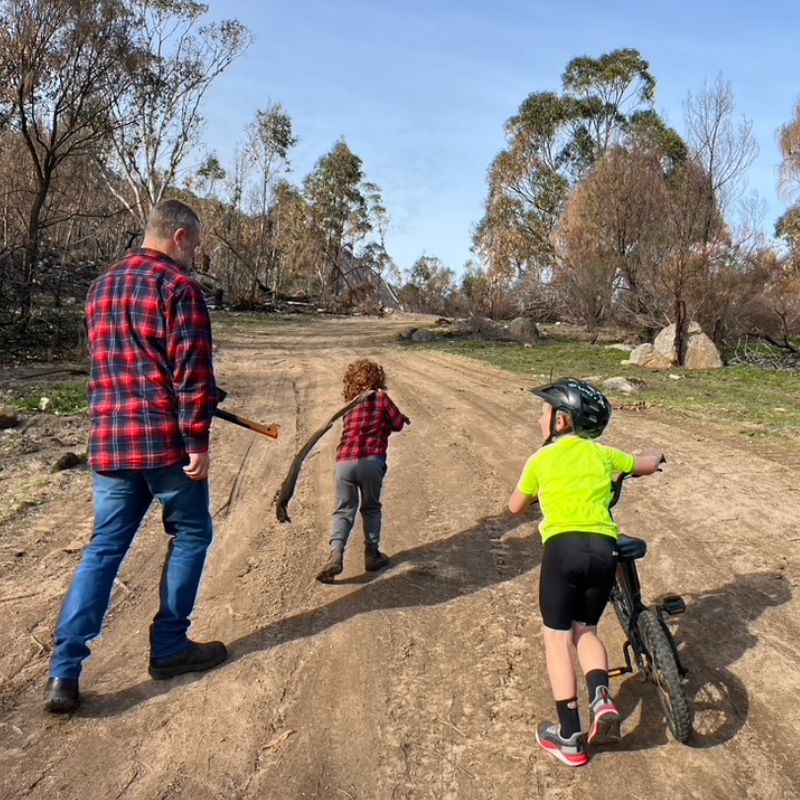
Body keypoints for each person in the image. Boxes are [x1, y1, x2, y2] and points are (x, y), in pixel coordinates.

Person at [44, 199, 227, 714]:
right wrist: (198, 443)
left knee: (103, 550)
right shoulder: (179, 288)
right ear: (181, 237)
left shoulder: (99, 288)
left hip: (109, 443)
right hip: (165, 447)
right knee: (192, 532)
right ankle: (169, 646)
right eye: (197, 243)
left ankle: (64, 672)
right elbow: (190, 376)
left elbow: (115, 366)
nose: (196, 255)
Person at [508, 378, 663, 766]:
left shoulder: (540, 459)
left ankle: (570, 739)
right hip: (603, 551)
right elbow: (642, 465)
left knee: (557, 639)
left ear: (561, 422)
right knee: (587, 630)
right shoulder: (603, 455)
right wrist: (656, 457)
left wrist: (535, 493)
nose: (539, 419)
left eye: (544, 413)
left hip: (563, 550)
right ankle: (601, 697)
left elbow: (515, 507)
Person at [316, 359, 410, 583]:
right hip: (371, 462)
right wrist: (390, 421)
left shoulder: (350, 405)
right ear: (378, 379)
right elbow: (397, 423)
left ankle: (336, 554)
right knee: (371, 508)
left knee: (343, 511)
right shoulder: (380, 398)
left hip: (344, 464)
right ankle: (372, 553)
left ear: (350, 384)